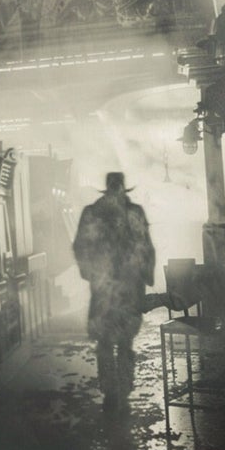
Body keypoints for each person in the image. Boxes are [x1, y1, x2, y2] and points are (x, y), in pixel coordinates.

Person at [72, 172, 156, 415]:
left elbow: (80, 246)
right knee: (124, 342)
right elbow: (146, 248)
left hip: (104, 289)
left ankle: (111, 393)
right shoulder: (135, 213)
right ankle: (123, 392)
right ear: (123, 188)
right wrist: (145, 275)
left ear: (107, 188)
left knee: (106, 342)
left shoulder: (91, 213)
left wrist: (90, 273)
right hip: (129, 288)